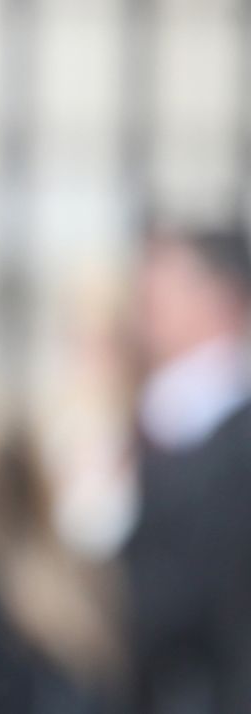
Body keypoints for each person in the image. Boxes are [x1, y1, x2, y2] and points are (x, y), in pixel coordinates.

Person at [124, 223, 251, 714]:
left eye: (164, 290)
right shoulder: (149, 414)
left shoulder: (227, 436)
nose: (146, 309)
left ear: (221, 298)